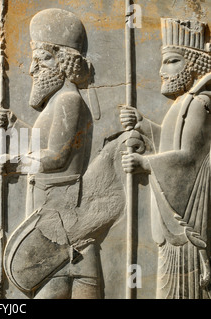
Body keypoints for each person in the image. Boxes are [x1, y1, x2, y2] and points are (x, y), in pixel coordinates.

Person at [0, 8, 97, 299]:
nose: (32, 68)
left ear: (62, 63)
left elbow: (57, 157)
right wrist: (14, 124)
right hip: (52, 208)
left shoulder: (67, 101)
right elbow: (45, 142)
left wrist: (16, 164)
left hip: (61, 211)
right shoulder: (58, 102)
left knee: (55, 284)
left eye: (42, 58)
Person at [121, 18, 211, 299]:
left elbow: (190, 160)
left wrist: (146, 163)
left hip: (184, 226)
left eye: (171, 61)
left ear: (194, 65)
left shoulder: (198, 104)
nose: (162, 71)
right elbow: (171, 140)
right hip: (172, 226)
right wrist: (145, 124)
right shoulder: (184, 103)